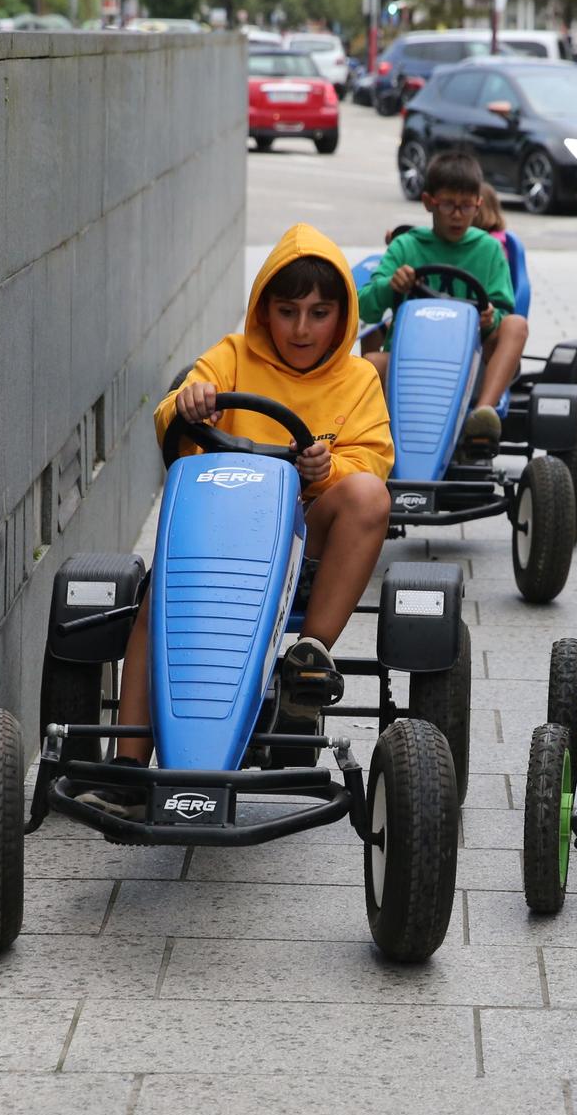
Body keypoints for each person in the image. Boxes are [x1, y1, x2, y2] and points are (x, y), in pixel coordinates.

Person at [114, 224, 394, 761]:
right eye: (287, 311)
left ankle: (308, 659)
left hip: (303, 545)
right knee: (157, 603)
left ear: (342, 316)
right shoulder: (232, 356)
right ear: (265, 310)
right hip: (219, 535)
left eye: (318, 313)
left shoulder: (357, 379)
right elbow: (168, 418)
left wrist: (325, 470)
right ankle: (128, 762)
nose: (302, 329)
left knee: (368, 496)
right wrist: (190, 402)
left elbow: (372, 460)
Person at [357, 150, 526, 446]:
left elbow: (501, 308)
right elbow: (365, 307)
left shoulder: (488, 250)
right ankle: (378, 442)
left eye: (465, 206)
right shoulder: (406, 246)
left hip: (469, 362)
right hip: (408, 361)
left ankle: (482, 416)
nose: (457, 214)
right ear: (428, 203)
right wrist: (391, 286)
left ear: (478, 205)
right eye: (448, 204)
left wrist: (490, 318)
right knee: (370, 363)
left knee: (515, 324)